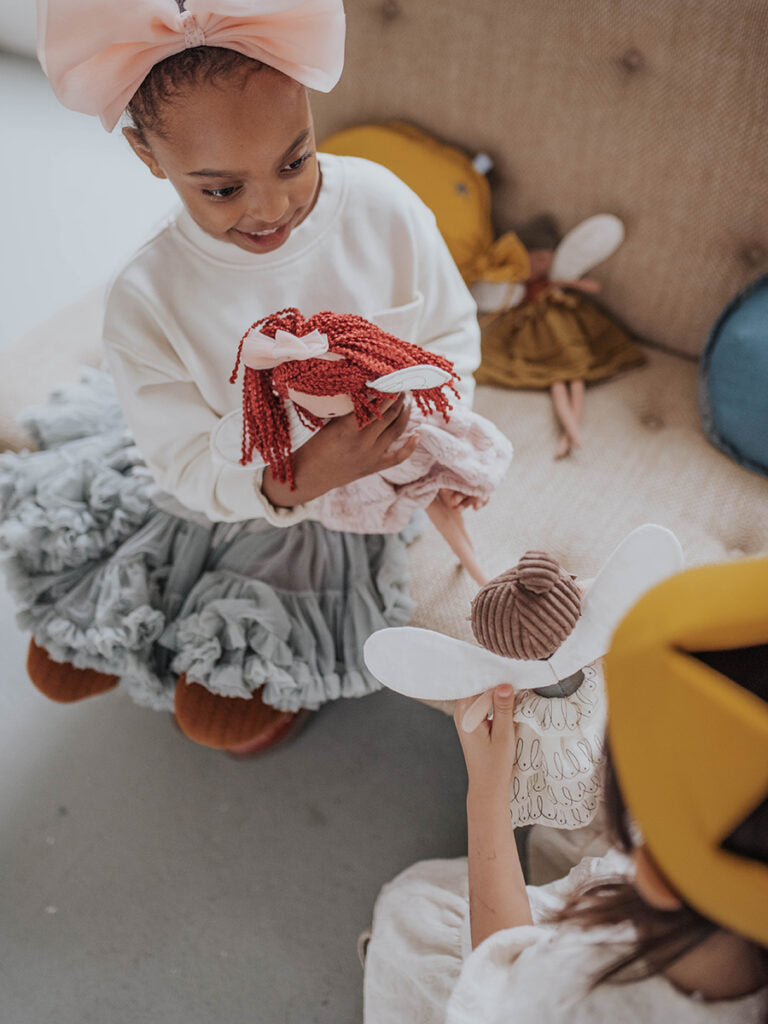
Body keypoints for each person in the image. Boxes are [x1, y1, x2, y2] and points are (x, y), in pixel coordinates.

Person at [1, 0, 482, 754]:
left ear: (311, 107)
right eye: (221, 189)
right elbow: (182, 461)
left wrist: (422, 436)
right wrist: (293, 477)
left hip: (342, 508)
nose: (273, 208)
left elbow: (452, 339)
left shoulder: (385, 208)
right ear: (147, 156)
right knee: (61, 664)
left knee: (215, 721)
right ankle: (152, 619)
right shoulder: (146, 295)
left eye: (295, 160)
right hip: (218, 481)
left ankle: (258, 663)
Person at [362, 557, 768, 1022]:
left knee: (411, 903)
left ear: (651, 871)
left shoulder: (576, 996)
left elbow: (500, 966)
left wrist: (487, 794)